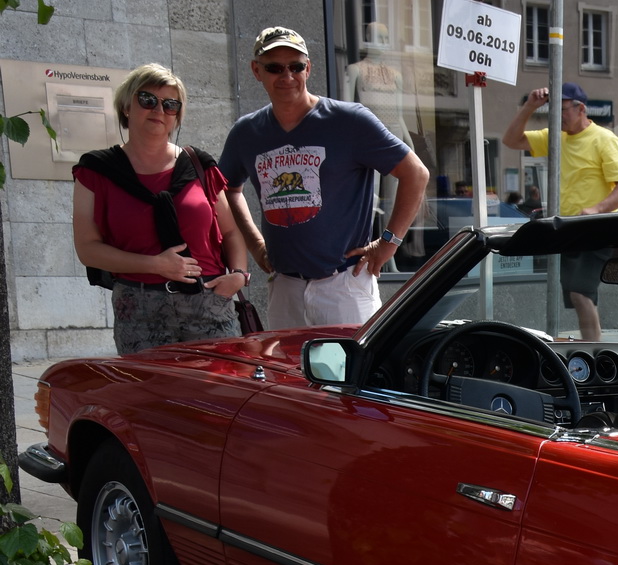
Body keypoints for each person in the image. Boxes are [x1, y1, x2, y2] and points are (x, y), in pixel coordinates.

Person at [220, 26, 429, 330]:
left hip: (345, 285)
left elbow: (416, 174)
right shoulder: (246, 132)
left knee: (352, 377)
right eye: (274, 68)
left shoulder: (350, 120)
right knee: (289, 378)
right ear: (256, 71)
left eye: (296, 67)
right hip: (285, 287)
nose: (287, 76)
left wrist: (389, 242)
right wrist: (255, 244)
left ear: (309, 68)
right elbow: (226, 189)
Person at [73, 64, 250, 354]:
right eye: (147, 100)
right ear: (126, 107)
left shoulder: (199, 165)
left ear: (177, 117)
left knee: (219, 395)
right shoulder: (97, 170)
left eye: (170, 105)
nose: (158, 110)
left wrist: (240, 275)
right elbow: (87, 249)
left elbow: (230, 232)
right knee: (150, 397)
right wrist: (155, 265)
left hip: (208, 301)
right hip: (140, 309)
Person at [504, 83, 618, 340]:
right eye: (554, 110)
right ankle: (592, 350)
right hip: (568, 229)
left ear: (581, 108)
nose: (558, 116)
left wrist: (595, 209)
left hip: (597, 228)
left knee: (580, 293)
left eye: (562, 109)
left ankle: (594, 352)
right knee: (580, 298)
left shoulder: (604, 139)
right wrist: (530, 106)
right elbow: (511, 140)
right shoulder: (555, 137)